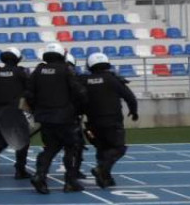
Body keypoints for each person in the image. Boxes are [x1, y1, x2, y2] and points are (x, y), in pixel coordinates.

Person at [25, 43, 87, 194]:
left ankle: (40, 176)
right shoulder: (66, 69)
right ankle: (70, 182)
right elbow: (80, 92)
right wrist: (79, 109)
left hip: (45, 118)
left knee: (50, 149)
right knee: (72, 147)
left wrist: (36, 110)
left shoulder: (38, 70)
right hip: (65, 117)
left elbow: (28, 94)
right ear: (62, 55)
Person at [81, 53, 138, 189]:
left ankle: (105, 177)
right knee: (118, 148)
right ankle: (102, 169)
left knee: (102, 148)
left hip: (93, 121)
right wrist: (133, 111)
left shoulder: (83, 80)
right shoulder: (113, 79)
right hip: (112, 121)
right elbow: (129, 97)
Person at [0, 48, 31, 179]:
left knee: (2, 139)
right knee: (23, 140)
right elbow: (30, 90)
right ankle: (20, 170)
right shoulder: (20, 72)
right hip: (16, 110)